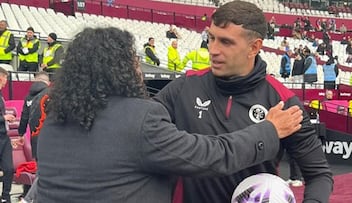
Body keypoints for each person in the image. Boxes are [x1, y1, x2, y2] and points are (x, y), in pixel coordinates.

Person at [35, 27, 303, 203]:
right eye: (134, 61)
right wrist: (269, 130)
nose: (139, 69)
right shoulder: (140, 119)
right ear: (121, 69)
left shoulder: (54, 122)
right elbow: (211, 156)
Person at [153, 1, 333, 203]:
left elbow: (319, 175)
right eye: (211, 38)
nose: (213, 49)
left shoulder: (283, 101)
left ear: (254, 47)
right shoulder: (183, 87)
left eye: (226, 42)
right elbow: (142, 137)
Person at [16, 71, 50, 201]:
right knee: (45, 169)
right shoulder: (48, 94)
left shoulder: (29, 96)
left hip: (34, 137)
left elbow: (24, 116)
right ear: (47, 82)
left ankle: (28, 195)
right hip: (48, 138)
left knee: (37, 165)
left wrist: (20, 133)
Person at [0, 66, 16, 203]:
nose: (7, 81)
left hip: (4, 137)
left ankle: (6, 196)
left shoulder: (1, 96)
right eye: (6, 77)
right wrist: (3, 118)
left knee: (9, 168)